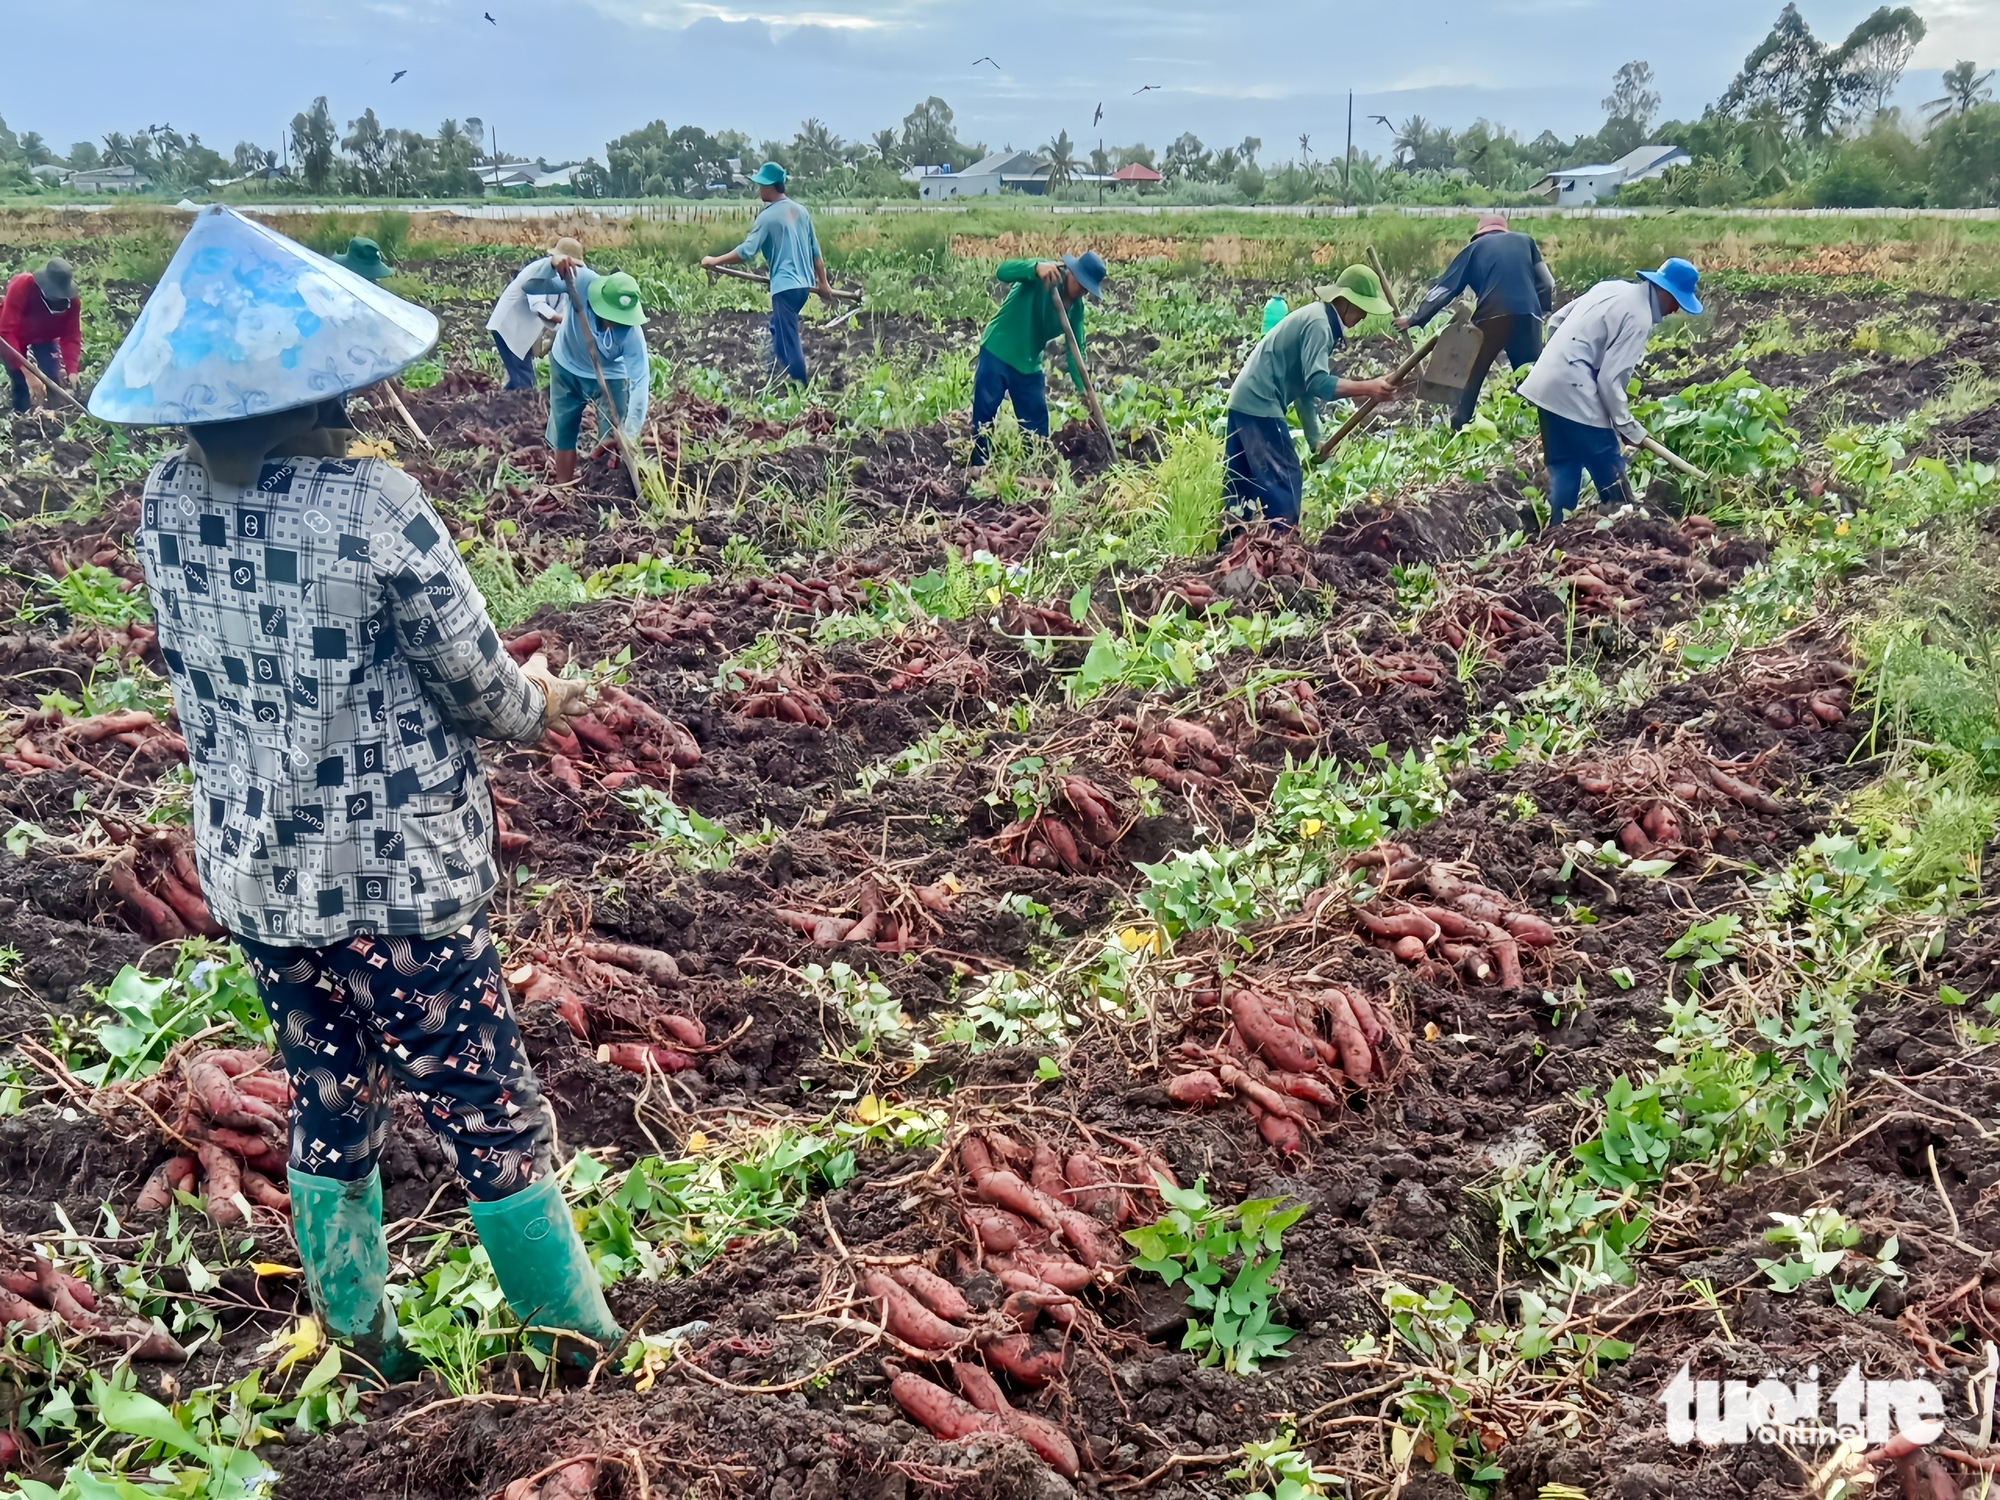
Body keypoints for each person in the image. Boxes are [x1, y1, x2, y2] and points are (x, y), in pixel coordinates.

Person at [87, 205, 617, 1380]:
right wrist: (543, 702)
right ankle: (577, 1355)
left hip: (260, 877)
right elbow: (481, 689)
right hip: (396, 880)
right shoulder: (373, 506)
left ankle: (357, 1336)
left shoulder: (166, 504)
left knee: (332, 1099)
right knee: (485, 1105)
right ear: (324, 388)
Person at [1517, 257, 1702, 528]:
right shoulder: (1638, 318)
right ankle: (1632, 534)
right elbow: (1610, 380)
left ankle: (1556, 531)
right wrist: (1629, 428)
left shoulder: (1611, 288)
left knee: (1565, 465)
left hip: (1545, 384)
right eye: (1677, 302)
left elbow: (1557, 320)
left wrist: (1557, 361)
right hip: (1575, 391)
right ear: (1665, 292)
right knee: (1610, 470)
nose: (1675, 310)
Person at [1223, 265, 1403, 531]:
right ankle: (1281, 547)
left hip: (1243, 400)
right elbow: (1318, 383)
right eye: (1361, 307)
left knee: (1241, 484)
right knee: (1285, 479)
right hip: (1262, 401)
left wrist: (1314, 439)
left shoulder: (1318, 318)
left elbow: (1303, 391)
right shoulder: (1319, 324)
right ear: (1344, 301)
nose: (1363, 315)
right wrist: (1369, 387)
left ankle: (1228, 548)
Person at [1396, 214, 1555, 430]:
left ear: (1479, 233)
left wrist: (1415, 319)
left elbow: (1445, 288)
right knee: (1530, 377)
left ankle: (1459, 426)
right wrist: (1540, 310)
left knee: (1472, 376)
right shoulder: (1525, 241)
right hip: (1528, 314)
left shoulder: (1474, 249)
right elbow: (1547, 282)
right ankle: (1539, 431)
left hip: (1491, 315)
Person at [516, 247, 650, 484]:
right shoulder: (583, 281)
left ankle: (607, 489)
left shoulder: (632, 335)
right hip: (567, 364)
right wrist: (550, 265)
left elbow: (640, 383)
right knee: (565, 430)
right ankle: (564, 487)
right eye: (614, 316)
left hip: (610, 375)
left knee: (612, 440)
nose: (618, 324)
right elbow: (531, 287)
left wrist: (629, 435)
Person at [969, 252, 1107, 466]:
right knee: (984, 415)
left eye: (1086, 289)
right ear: (1070, 272)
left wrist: (1084, 393)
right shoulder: (1046, 275)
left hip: (1028, 362)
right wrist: (1034, 268)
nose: (1081, 291)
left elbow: (1075, 350)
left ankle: (1031, 470)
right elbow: (1002, 271)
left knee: (1036, 426)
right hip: (999, 349)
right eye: (1079, 284)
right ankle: (978, 468)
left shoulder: (1076, 309)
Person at [701, 163, 833, 384]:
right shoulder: (801, 211)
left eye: (761, 184)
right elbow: (815, 253)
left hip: (785, 287)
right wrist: (823, 283)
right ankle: (775, 374)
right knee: (777, 328)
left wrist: (714, 260)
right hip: (802, 286)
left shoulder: (768, 216)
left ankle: (801, 388)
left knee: (789, 341)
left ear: (770, 186)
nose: (758, 189)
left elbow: (746, 251)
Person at [487, 236, 581, 390]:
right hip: (509, 327)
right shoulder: (538, 271)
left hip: (523, 332)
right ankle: (513, 410)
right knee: (524, 382)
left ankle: (498, 406)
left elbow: (561, 311)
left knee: (520, 380)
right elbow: (539, 307)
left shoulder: (564, 280)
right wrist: (566, 322)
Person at [2, 257, 81, 415]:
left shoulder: (72, 303)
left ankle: (53, 417)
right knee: (20, 380)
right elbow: (6, 332)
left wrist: (72, 370)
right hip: (15, 335)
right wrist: (27, 372)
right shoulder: (22, 286)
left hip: (45, 336)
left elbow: (71, 336)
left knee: (51, 379)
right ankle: (21, 417)